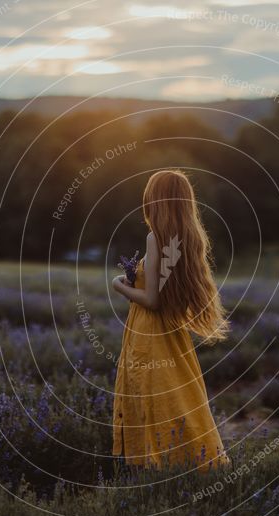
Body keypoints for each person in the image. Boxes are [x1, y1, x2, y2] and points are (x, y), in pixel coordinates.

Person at [111, 169, 231, 472]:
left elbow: (152, 300)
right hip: (173, 335)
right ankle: (195, 461)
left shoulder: (156, 238)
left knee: (151, 402)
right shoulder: (187, 239)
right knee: (180, 399)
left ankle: (156, 466)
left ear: (155, 200)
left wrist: (120, 285)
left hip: (149, 334)